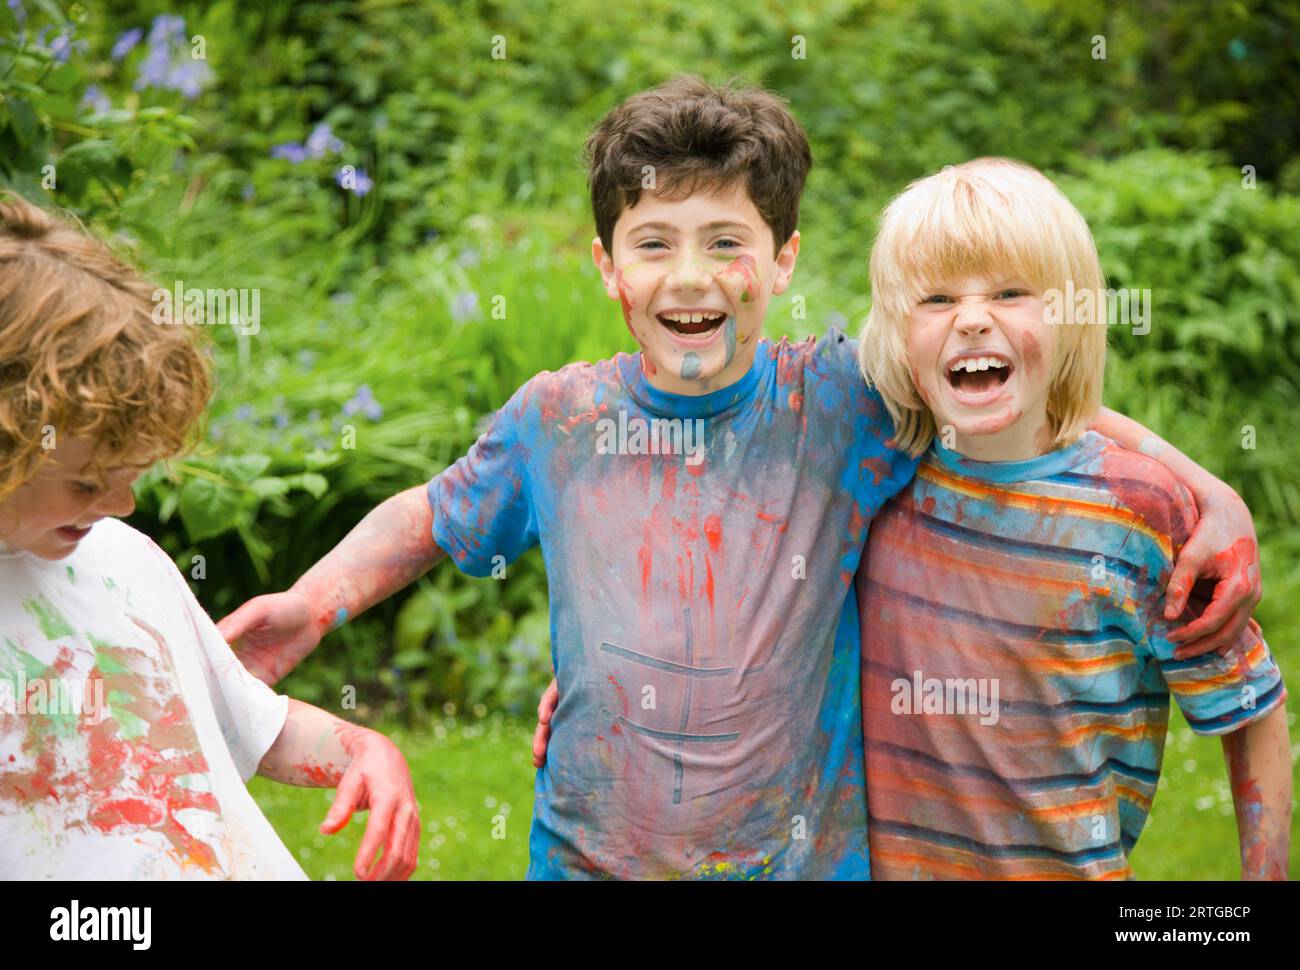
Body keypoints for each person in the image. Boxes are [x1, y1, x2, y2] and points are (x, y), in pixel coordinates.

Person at [221, 77, 1265, 880]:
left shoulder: (842, 399)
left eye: (726, 242)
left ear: (781, 260)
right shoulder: (560, 419)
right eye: (653, 243)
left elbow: (1014, 391)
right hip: (589, 853)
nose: (689, 275)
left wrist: (1204, 487)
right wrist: (316, 601)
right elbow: (434, 514)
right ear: (607, 266)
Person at [855, 157, 1290, 879]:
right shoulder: (872, 468)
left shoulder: (1139, 513)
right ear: (900, 333)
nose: (970, 319)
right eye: (935, 299)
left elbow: (1251, 708)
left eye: (1010, 293)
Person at [0, 194, 420, 880]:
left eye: (128, 475)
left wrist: (361, 749)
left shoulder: (123, 561)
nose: (122, 502)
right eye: (87, 482)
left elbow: (252, 724)